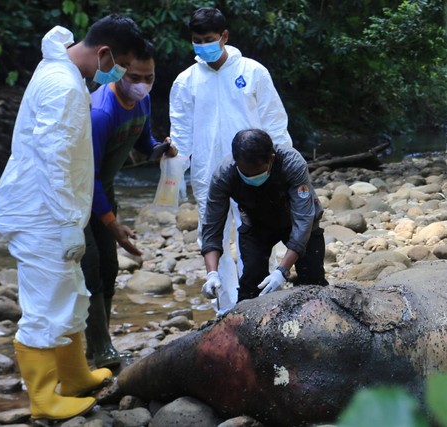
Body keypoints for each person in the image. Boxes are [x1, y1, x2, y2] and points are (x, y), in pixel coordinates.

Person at [0, 15, 146, 421]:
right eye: (121, 64)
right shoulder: (62, 85)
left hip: (52, 208)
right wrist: (66, 225)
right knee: (46, 302)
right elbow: (54, 162)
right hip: (42, 212)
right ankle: (44, 397)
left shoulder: (64, 68)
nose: (121, 73)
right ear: (105, 53)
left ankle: (75, 374)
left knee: (71, 290)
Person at [169, 7, 292, 314]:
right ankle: (226, 309)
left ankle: (260, 305)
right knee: (213, 237)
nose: (202, 46)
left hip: (254, 173)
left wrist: (283, 170)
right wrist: (171, 181)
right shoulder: (186, 82)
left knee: (258, 236)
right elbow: (180, 135)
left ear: (224, 37)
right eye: (197, 40)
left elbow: (275, 124)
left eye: (209, 39)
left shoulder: (252, 72)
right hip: (208, 173)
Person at [82, 40, 178, 370]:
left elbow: (143, 143)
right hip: (79, 196)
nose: (142, 84)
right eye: (136, 77)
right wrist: (112, 224)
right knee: (90, 267)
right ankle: (100, 347)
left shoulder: (143, 101)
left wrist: (161, 149)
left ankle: (97, 345)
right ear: (120, 72)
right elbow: (88, 175)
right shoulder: (100, 112)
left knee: (109, 267)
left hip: (104, 192)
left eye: (149, 78)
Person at [200, 129, 327, 303]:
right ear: (236, 162)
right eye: (245, 173)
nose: (251, 177)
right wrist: (212, 274)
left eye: (257, 172)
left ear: (271, 159)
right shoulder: (224, 175)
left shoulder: (291, 162)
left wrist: (282, 271)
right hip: (256, 224)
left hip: (296, 220)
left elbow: (303, 219)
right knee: (252, 284)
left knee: (313, 281)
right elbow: (212, 226)